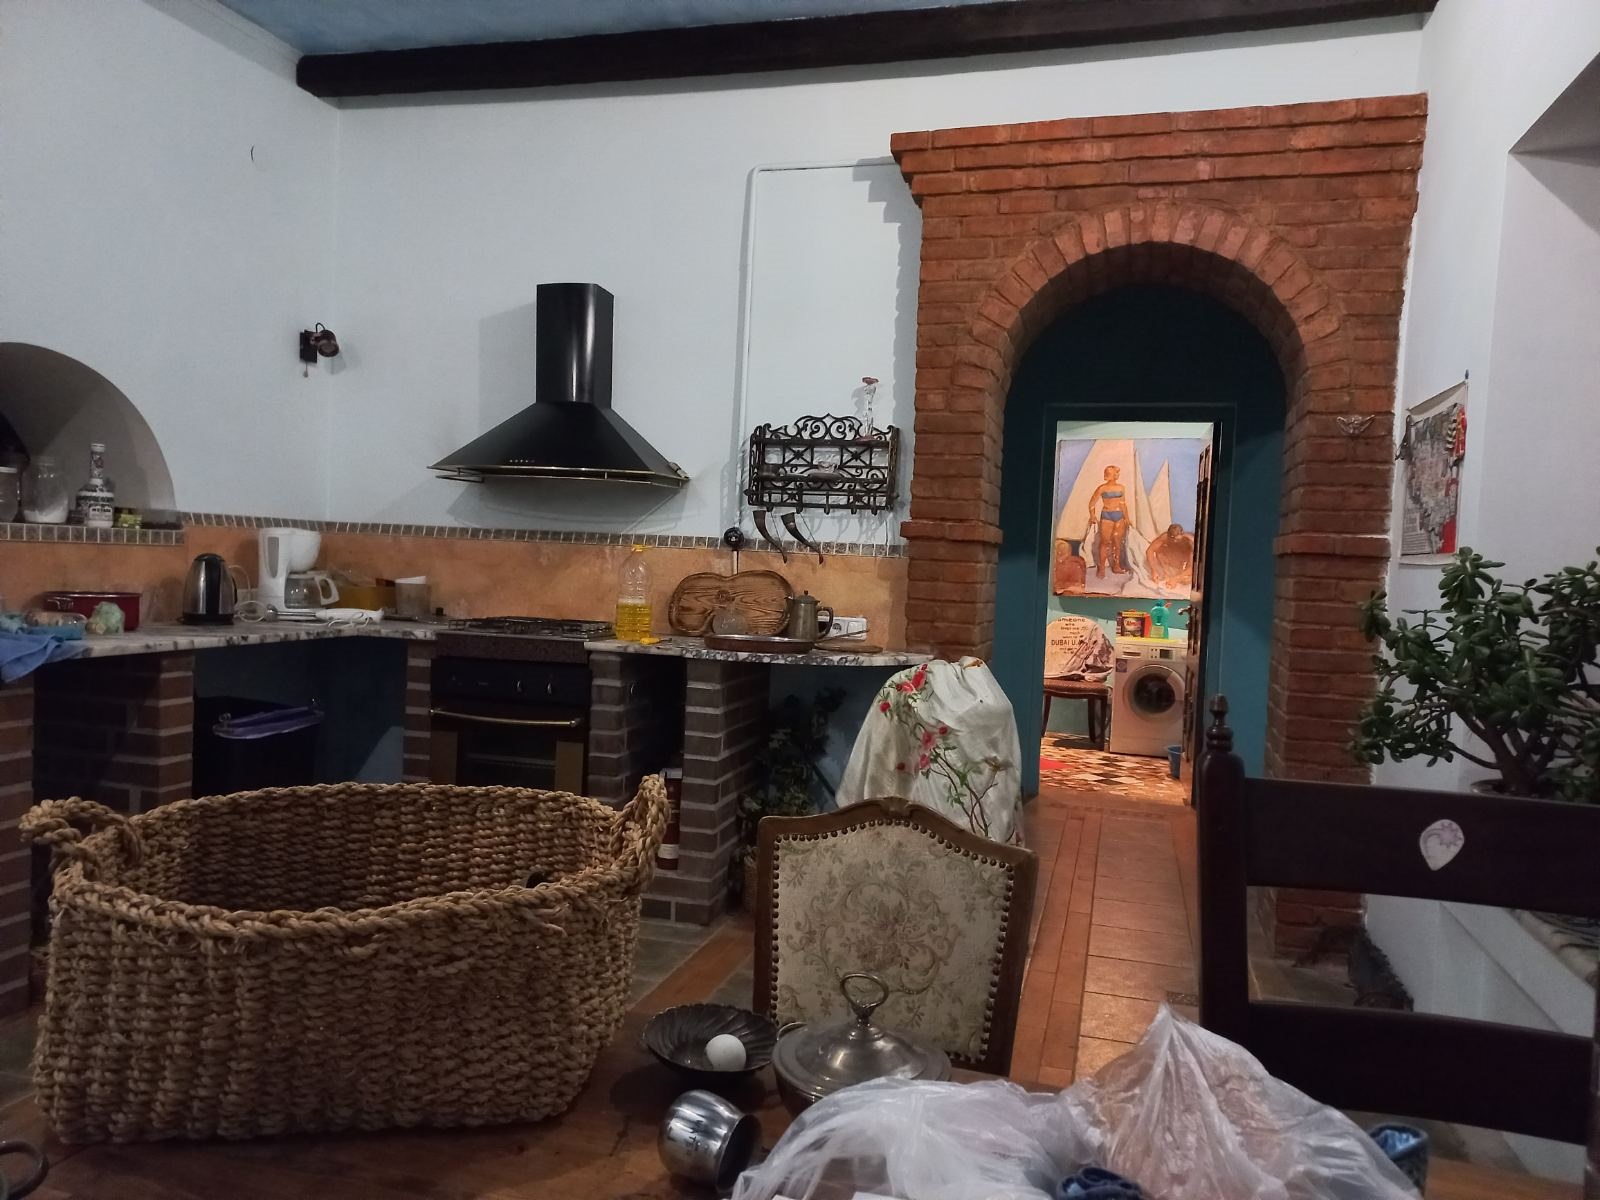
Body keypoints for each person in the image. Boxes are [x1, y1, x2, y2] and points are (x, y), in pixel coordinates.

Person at [1088, 466, 1130, 578]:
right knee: (1105, 542)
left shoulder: (1121, 488)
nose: (1117, 475)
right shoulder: (1102, 488)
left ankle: (1116, 566)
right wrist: (1092, 516)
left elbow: (1123, 504)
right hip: (1107, 516)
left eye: (1117, 473)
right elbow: (1092, 503)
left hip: (1119, 516)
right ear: (1109, 475)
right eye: (1115, 473)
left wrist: (1127, 518)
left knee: (1117, 542)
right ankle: (1101, 568)